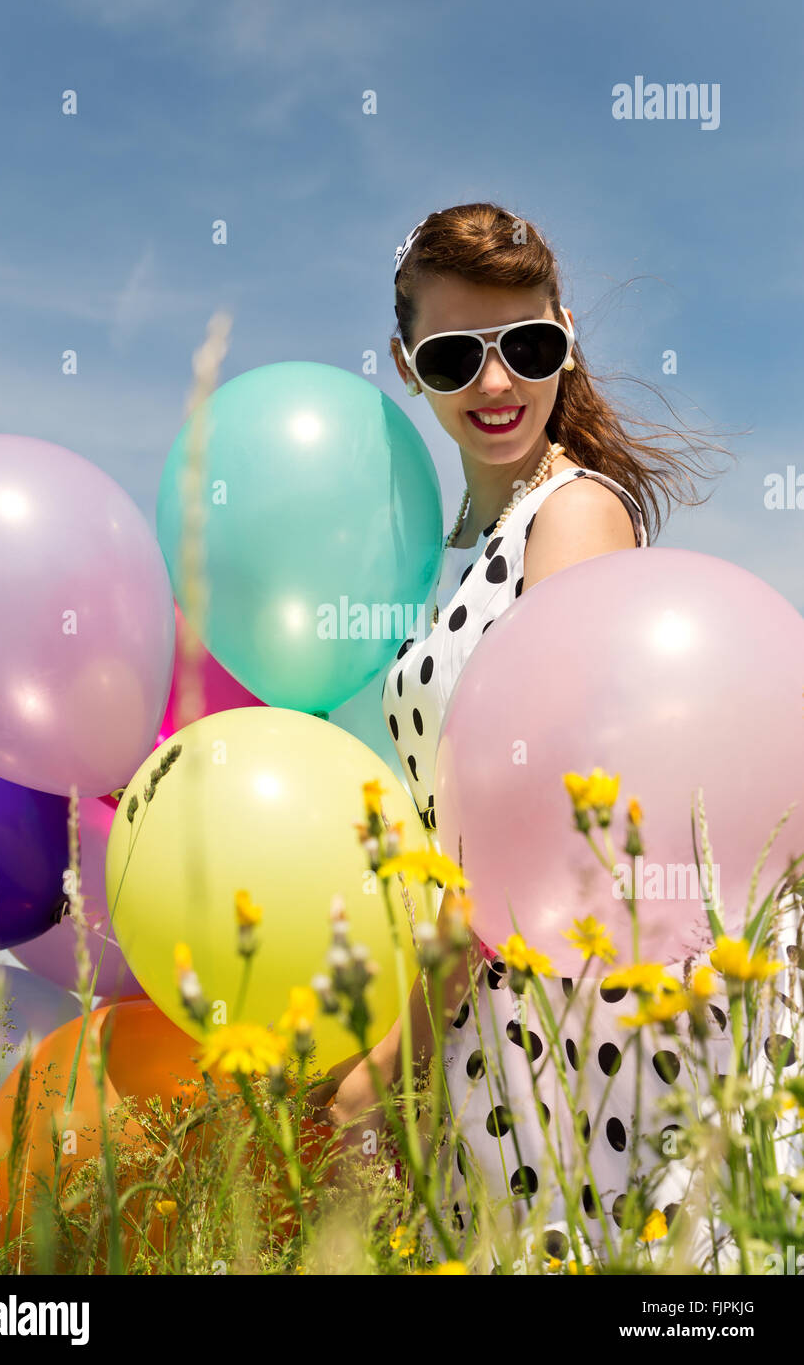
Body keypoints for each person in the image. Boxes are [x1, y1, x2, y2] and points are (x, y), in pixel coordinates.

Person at [310, 203, 799, 1272]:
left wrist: (389, 1060)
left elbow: (528, 829)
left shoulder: (569, 515)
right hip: (495, 1011)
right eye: (453, 356)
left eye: (524, 346)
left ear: (564, 335)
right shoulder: (443, 555)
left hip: (576, 1014)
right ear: (406, 367)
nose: (495, 383)